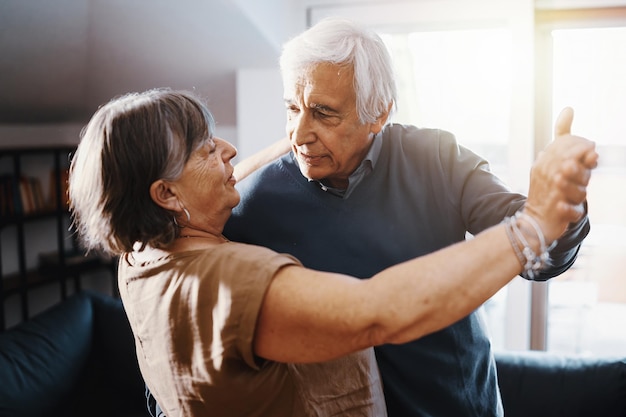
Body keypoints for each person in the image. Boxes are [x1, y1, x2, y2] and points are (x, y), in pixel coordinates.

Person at [68, 88, 596, 417]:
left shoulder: (141, 251)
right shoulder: (228, 282)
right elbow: (379, 311)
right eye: (207, 147)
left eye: (317, 110)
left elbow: (231, 170)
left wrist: (304, 136)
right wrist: (533, 224)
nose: (228, 150)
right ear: (166, 194)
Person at [224, 17, 598, 417]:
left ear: (378, 114)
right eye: (292, 108)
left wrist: (562, 210)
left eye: (323, 113)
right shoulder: (255, 201)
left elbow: (533, 251)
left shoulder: (439, 158)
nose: (299, 134)